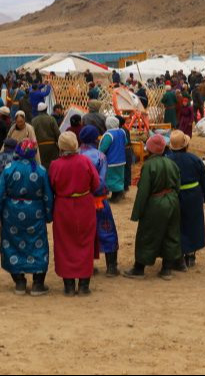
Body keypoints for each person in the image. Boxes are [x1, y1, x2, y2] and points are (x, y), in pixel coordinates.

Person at [0, 139, 53, 296]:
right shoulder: (41, 170)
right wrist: (48, 215)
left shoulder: (8, 169)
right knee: (38, 245)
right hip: (36, 212)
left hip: (11, 213)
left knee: (12, 244)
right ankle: (38, 284)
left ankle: (19, 282)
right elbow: (48, 196)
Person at [123, 134, 181, 280]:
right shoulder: (172, 163)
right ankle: (167, 269)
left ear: (149, 149)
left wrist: (137, 213)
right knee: (170, 233)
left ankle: (139, 269)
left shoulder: (149, 165)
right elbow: (178, 186)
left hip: (156, 203)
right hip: (173, 202)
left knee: (146, 235)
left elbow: (143, 191)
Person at [50, 131, 100, 296]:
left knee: (64, 244)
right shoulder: (85, 161)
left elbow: (51, 187)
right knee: (85, 242)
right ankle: (84, 285)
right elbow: (96, 183)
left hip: (63, 207)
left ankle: (69, 286)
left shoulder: (55, 165)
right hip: (85, 205)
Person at [78, 125, 120, 277]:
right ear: (96, 138)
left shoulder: (75, 154)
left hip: (79, 201)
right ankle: (111, 267)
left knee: (83, 234)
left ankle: (87, 266)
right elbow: (100, 181)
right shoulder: (100, 156)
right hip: (98, 200)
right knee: (107, 231)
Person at [167, 130, 205, 269]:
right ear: (186, 145)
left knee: (177, 225)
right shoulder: (195, 159)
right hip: (193, 196)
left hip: (174, 196)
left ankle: (178, 255)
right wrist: (204, 196)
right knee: (193, 225)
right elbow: (204, 178)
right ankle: (191, 256)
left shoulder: (168, 161)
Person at [99, 116, 128, 202]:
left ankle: (115, 196)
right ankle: (119, 193)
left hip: (111, 161)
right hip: (121, 160)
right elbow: (125, 142)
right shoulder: (122, 132)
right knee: (119, 178)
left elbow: (102, 148)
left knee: (111, 179)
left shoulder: (109, 135)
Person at [32, 102, 61, 170]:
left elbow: (32, 135)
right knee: (53, 165)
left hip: (40, 147)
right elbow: (57, 133)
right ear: (46, 109)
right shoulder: (51, 119)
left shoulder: (34, 120)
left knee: (42, 165)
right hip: (52, 147)